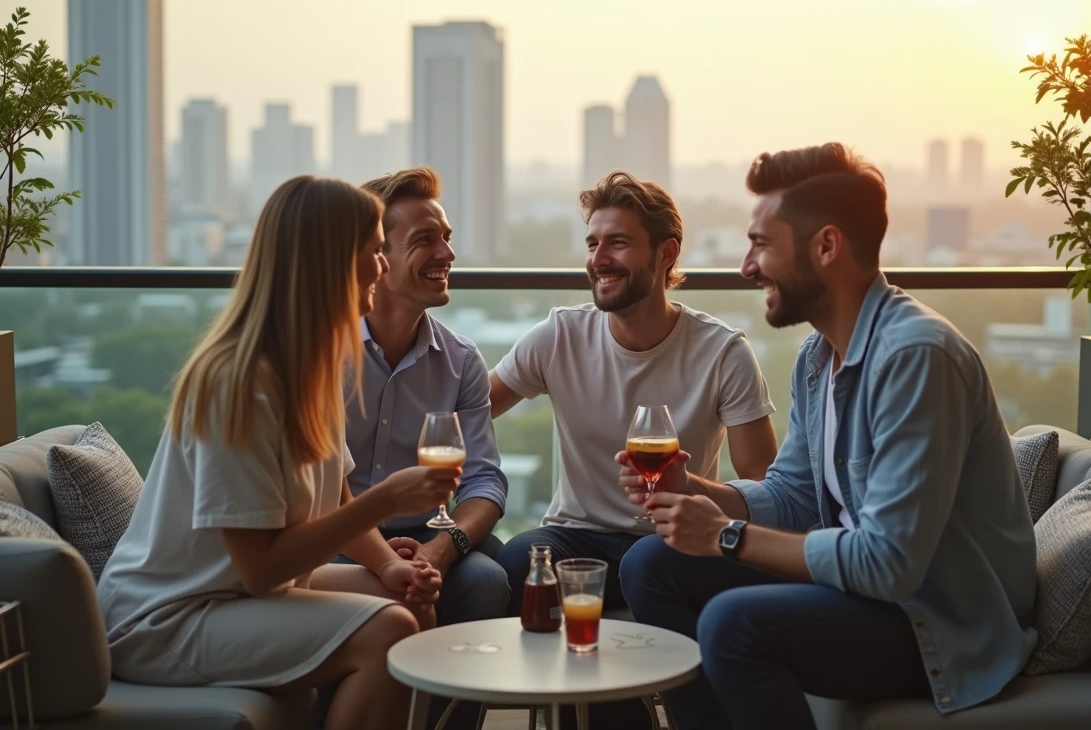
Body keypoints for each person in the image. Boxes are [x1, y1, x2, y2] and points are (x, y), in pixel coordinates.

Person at [618, 144, 1038, 730]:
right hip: (862, 594)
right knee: (648, 563)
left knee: (733, 623)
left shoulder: (916, 356)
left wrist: (726, 536)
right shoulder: (819, 356)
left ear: (826, 246)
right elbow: (793, 495)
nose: (746, 266)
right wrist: (698, 490)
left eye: (762, 244)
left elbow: (887, 564)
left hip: (936, 619)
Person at [97, 176, 461, 730]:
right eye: (374, 251)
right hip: (168, 617)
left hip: (232, 595)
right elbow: (263, 569)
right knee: (389, 629)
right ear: (331, 262)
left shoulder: (314, 367)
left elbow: (334, 500)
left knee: (409, 602)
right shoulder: (238, 383)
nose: (382, 267)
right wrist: (385, 499)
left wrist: (389, 564)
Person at [489, 170, 778, 727]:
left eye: (617, 242)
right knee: (514, 561)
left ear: (666, 254)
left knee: (646, 565)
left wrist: (688, 489)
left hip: (676, 538)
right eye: (593, 243)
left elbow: (766, 488)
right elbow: (471, 411)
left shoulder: (722, 353)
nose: (599, 258)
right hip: (577, 531)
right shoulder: (559, 335)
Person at [344, 166, 509, 730]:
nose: (447, 253)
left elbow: (485, 482)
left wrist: (439, 551)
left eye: (447, 237)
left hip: (431, 534)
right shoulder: (325, 356)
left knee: (490, 581)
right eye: (425, 241)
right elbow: (318, 499)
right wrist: (390, 562)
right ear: (377, 258)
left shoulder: (461, 361)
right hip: (340, 537)